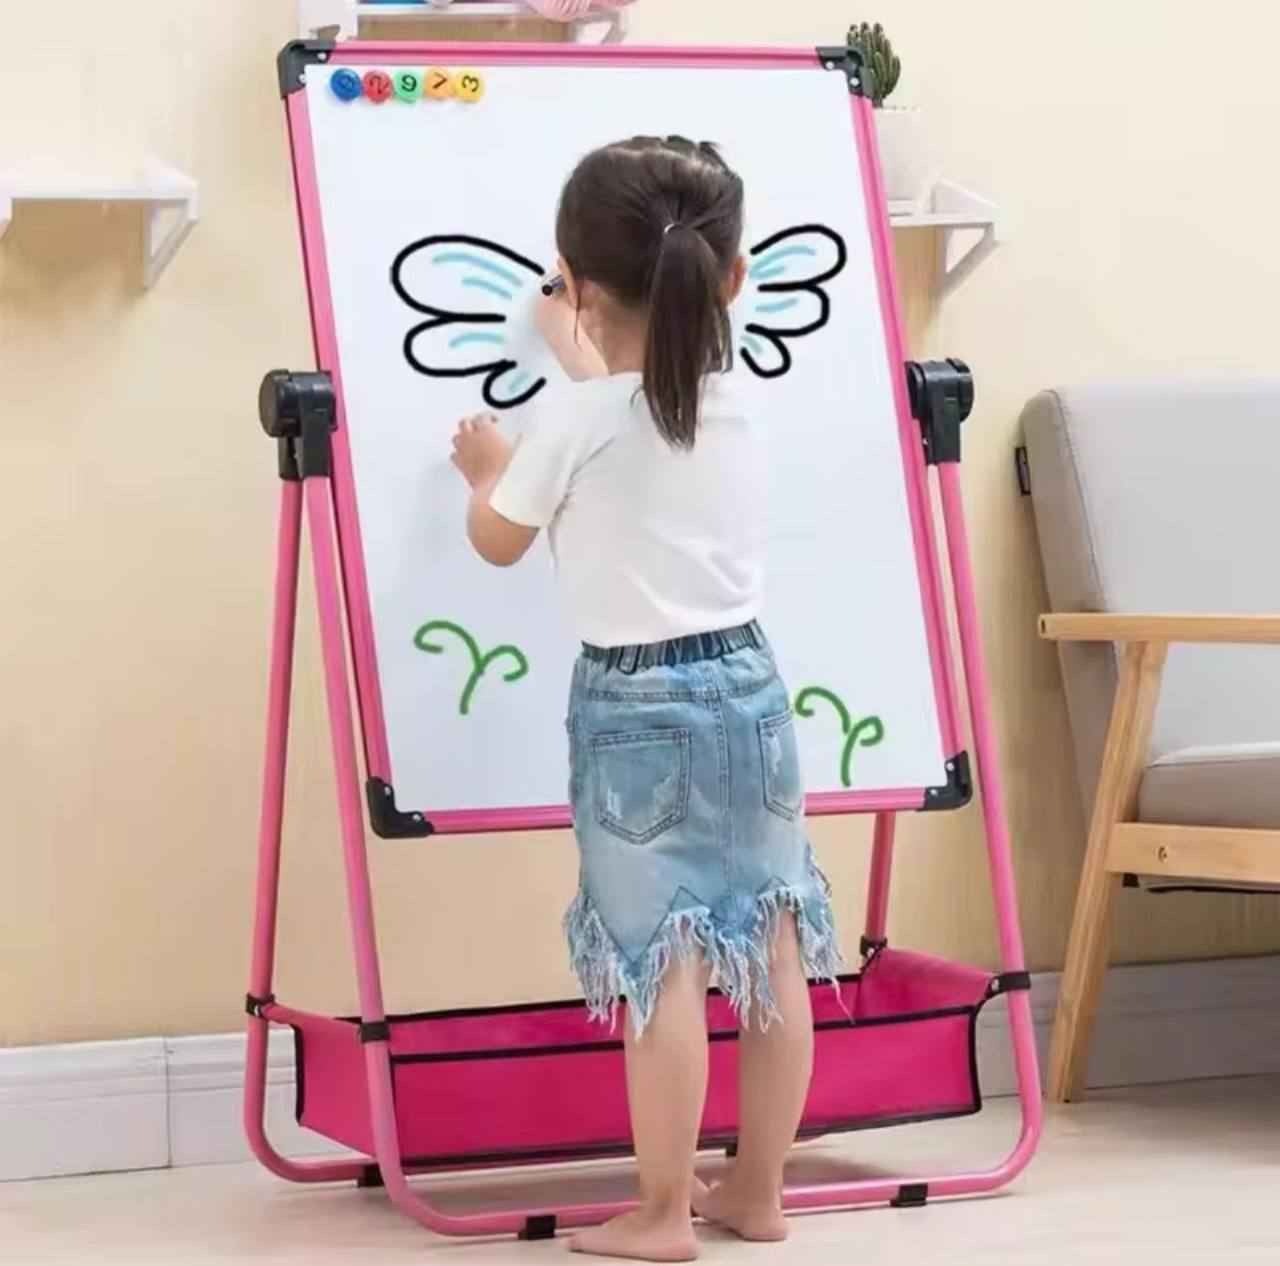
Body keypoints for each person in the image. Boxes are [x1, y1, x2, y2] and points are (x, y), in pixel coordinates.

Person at [449, 135, 840, 1262]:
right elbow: (634, 403)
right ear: (731, 277)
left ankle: (663, 1211)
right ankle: (755, 1190)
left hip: (636, 713)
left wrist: (486, 472)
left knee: (658, 959)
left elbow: (498, 540)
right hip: (751, 689)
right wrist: (572, 346)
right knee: (769, 943)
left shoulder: (570, 427)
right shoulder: (730, 402)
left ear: (576, 283)